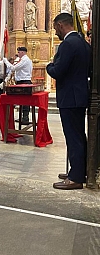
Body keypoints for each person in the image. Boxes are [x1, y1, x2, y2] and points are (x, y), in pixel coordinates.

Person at [46, 12, 91, 190]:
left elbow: (57, 71)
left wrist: (50, 65)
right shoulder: (83, 43)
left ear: (60, 25)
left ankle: (76, 178)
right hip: (79, 95)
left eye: (55, 27)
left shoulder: (67, 45)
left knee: (73, 138)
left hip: (70, 98)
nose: (55, 32)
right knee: (79, 136)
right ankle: (80, 170)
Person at [3, 47, 33, 124]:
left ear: (23, 52)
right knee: (22, 101)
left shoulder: (25, 60)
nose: (18, 54)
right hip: (22, 81)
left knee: (25, 101)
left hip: (24, 81)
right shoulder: (24, 60)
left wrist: (6, 61)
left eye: (19, 52)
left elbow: (13, 68)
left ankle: (25, 118)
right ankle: (23, 117)